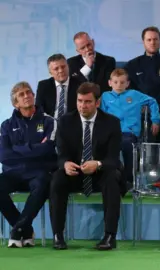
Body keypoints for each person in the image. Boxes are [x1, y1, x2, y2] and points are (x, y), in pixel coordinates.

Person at [50, 82, 124, 251]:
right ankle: (58, 235)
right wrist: (65, 164)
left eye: (88, 101)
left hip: (101, 173)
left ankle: (109, 236)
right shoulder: (65, 121)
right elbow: (61, 155)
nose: (83, 105)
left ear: (97, 102)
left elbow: (113, 159)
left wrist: (97, 164)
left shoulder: (111, 123)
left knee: (112, 178)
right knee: (57, 179)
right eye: (80, 101)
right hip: (75, 173)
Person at [0, 82, 57, 248]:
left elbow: (48, 148)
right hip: (14, 173)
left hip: (39, 172)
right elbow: (4, 155)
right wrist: (34, 149)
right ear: (15, 103)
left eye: (28, 92)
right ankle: (24, 228)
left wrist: (18, 149)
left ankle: (17, 229)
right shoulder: (6, 125)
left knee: (43, 183)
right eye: (21, 95)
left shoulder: (49, 121)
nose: (26, 96)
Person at [100, 68, 160, 185]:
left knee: (127, 144)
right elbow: (101, 115)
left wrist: (155, 120)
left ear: (127, 84)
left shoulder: (134, 94)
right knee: (106, 145)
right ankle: (110, 178)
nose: (119, 85)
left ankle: (129, 179)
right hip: (111, 132)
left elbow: (152, 101)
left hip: (129, 132)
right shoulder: (105, 96)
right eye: (116, 82)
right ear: (110, 83)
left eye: (122, 82)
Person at [124, 26, 160, 117]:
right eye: (149, 40)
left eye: (155, 39)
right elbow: (129, 91)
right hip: (139, 110)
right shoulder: (132, 65)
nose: (152, 43)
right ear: (143, 42)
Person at [36, 54, 83, 118]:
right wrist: (40, 128)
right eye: (56, 69)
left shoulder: (80, 84)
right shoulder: (43, 86)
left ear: (68, 67)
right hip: (50, 124)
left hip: (72, 124)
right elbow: (39, 112)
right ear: (50, 73)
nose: (61, 71)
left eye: (63, 67)